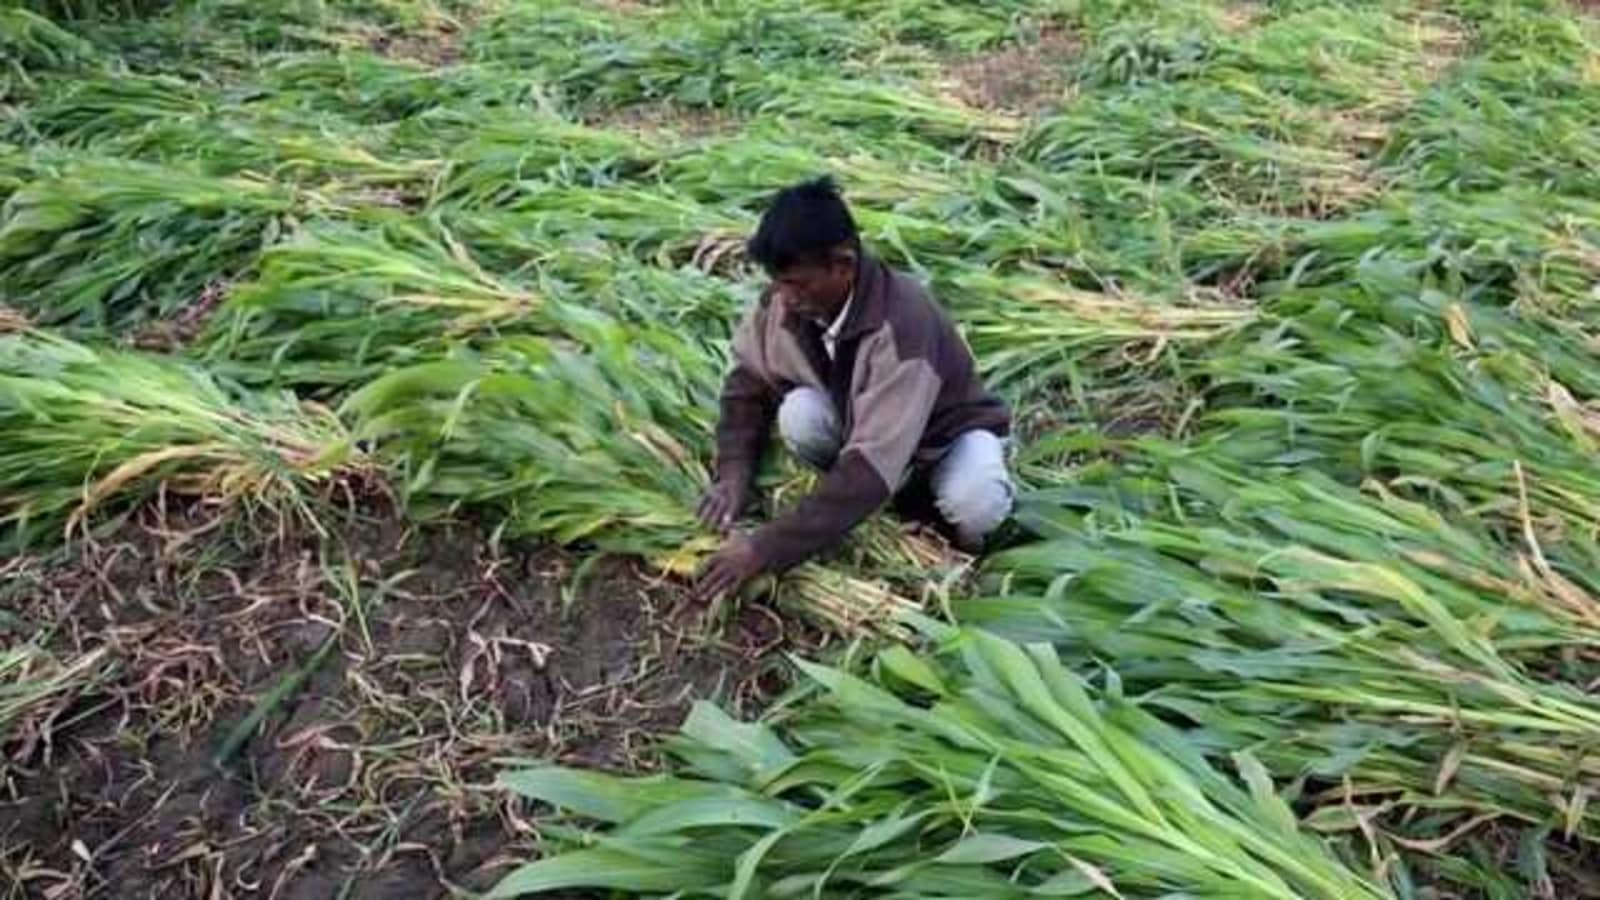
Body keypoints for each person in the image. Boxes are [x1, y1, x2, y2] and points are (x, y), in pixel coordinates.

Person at [694, 176, 1014, 601]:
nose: (785, 298)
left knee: (978, 502)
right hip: (870, 433)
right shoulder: (788, 303)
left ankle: (965, 566)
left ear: (843, 265)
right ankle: (876, 505)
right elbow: (747, 385)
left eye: (798, 283)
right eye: (779, 282)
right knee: (799, 414)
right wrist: (734, 474)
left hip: (941, 442)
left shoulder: (903, 325)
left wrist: (763, 549)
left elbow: (868, 469)